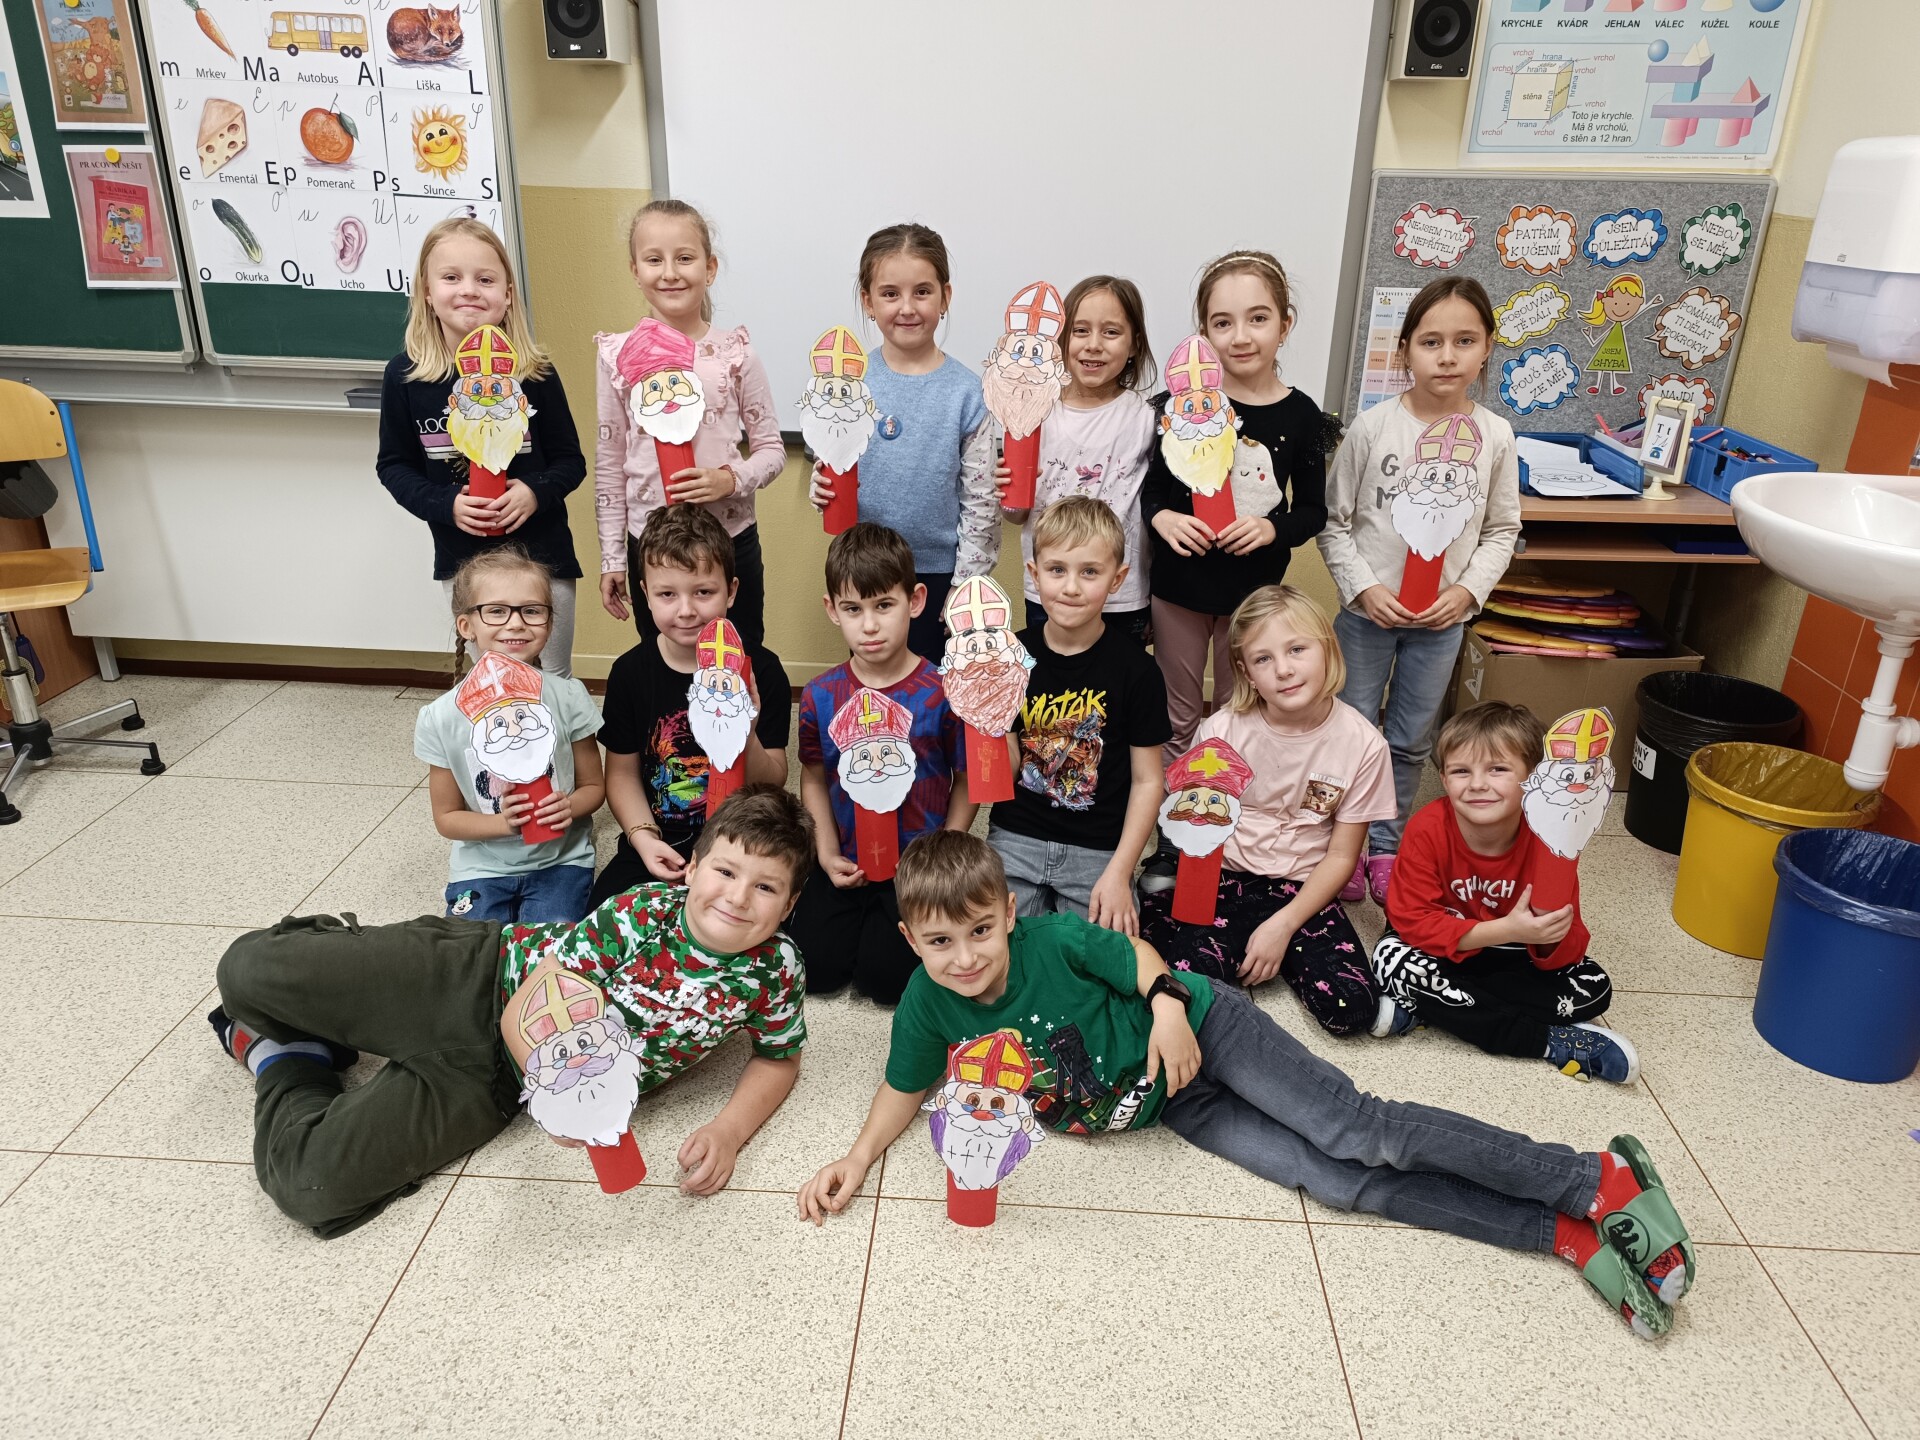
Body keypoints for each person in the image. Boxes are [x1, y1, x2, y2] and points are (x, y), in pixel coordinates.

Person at [796, 831, 1696, 1338]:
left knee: (1357, 1132)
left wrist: (1166, 1006)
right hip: (1176, 1104)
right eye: (940, 943)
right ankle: (1559, 1233)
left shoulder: (1052, 939)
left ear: (1007, 914)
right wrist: (856, 1159)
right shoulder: (927, 1003)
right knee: (1339, 1183)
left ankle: (1593, 1178)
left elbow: (1137, 958)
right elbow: (903, 1086)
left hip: (1205, 1029)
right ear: (911, 941)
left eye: (980, 932)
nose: (964, 957)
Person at [208, 785, 815, 1239]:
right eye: (725, 871)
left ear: (790, 906)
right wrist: (555, 1089)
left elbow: (778, 1057)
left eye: (766, 887)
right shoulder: (641, 911)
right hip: (478, 974)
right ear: (694, 868)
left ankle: (288, 1055)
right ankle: (342, 974)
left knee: (309, 1185)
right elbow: (536, 998)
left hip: (492, 1083)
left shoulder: (777, 970)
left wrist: (728, 1132)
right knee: (244, 972)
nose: (738, 897)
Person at [1317, 275, 1521, 906]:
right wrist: (1362, 589)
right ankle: (1340, 848)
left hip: (1440, 623)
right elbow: (1333, 523)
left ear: (1487, 348)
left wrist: (1467, 594)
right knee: (1350, 731)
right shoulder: (1374, 428)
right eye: (1431, 342)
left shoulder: (1495, 437)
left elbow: (1502, 529)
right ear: (1404, 349)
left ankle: (1386, 844)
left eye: (1465, 341)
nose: (1447, 356)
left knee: (1409, 740)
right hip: (1367, 618)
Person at [1139, 585, 1393, 1037]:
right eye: (1263, 658)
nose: (1284, 669)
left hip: (1303, 889)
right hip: (1222, 877)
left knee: (1352, 1010)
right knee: (1180, 989)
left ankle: (1263, 947)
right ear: (1246, 672)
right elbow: (1196, 833)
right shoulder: (1221, 731)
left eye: (1297, 649)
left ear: (1328, 649)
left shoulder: (1364, 744)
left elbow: (1341, 856)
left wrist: (1282, 927)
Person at [1371, 701, 1638, 1082]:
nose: (1477, 784)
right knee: (1390, 959)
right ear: (1444, 779)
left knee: (1593, 989)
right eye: (1461, 771)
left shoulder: (1551, 836)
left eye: (1497, 769)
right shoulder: (1427, 828)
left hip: (1514, 955)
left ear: (1533, 778)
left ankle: (1432, 1005)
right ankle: (1548, 1042)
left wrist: (1545, 935)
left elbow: (1569, 946)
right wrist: (1505, 929)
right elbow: (1411, 922)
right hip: (1443, 947)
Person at [1139, 250, 1336, 762]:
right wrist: (1163, 518)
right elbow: (1152, 492)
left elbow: (1313, 511)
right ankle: (1172, 811)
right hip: (1179, 589)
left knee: (1240, 711)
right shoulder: (1177, 406)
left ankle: (1229, 805)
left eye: (1258, 318)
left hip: (1253, 596)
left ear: (1285, 325)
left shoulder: (1302, 415)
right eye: (1222, 323)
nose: (1240, 336)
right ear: (1204, 333)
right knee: (1177, 715)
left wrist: (1272, 530)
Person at [376, 217, 586, 677]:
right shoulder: (406, 377)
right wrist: (446, 503)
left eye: (485, 280)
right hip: (465, 562)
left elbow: (570, 461)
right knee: (495, 680)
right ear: (426, 291)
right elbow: (394, 466)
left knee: (553, 679)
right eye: (451, 277)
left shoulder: (535, 373)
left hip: (543, 558)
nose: (469, 290)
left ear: (508, 294)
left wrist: (534, 492)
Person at [788, 522, 975, 1004]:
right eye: (853, 609)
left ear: (915, 601)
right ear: (832, 610)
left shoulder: (943, 692)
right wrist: (825, 853)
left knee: (888, 983)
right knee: (813, 969)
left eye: (884, 606)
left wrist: (944, 853)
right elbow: (814, 776)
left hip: (916, 865)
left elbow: (966, 778)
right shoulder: (819, 696)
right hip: (847, 857)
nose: (869, 626)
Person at [595, 199, 784, 647]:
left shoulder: (735, 353)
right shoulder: (616, 355)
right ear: (635, 271)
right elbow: (610, 461)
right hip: (650, 545)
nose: (670, 273)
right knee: (662, 661)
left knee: (739, 655)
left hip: (729, 540)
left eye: (684, 258)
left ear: (709, 268)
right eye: (653, 260)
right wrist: (613, 557)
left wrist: (729, 480)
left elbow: (772, 451)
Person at [806, 223, 999, 662]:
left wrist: (966, 586)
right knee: (875, 682)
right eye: (890, 293)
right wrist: (820, 490)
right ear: (868, 301)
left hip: (939, 575)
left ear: (945, 297)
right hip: (865, 571)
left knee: (933, 688)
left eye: (922, 292)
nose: (907, 308)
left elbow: (981, 501)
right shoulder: (846, 384)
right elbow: (831, 466)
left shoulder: (968, 393)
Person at [590, 504, 791, 909]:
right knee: (604, 913)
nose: (686, 610)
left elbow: (773, 782)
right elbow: (622, 774)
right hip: (660, 835)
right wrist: (643, 837)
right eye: (667, 594)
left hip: (742, 842)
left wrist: (747, 734)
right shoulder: (630, 673)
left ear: (731, 591)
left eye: (703, 592)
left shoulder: (763, 671)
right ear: (645, 594)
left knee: (774, 919)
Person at [989, 495, 1169, 930]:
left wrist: (1120, 872)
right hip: (1016, 839)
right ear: (1034, 574)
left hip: (1099, 849)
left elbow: (1148, 781)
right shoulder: (1010, 657)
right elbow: (1004, 771)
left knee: (1106, 956)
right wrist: (984, 718)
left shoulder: (1139, 671)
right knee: (993, 945)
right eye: (1057, 570)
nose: (1071, 587)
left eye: (1089, 572)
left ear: (1117, 578)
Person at [415, 547, 603, 924]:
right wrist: (503, 824)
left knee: (550, 947)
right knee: (470, 948)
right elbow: (447, 818)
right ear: (466, 625)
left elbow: (594, 786)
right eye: (497, 611)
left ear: (550, 623)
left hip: (562, 860)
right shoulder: (440, 717)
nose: (515, 623)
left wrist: (570, 806)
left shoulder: (568, 697)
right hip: (481, 866)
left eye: (531, 610)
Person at [998, 276, 1159, 649]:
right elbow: (1016, 515)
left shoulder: (1145, 417)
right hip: (1051, 591)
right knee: (1051, 678)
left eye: (1111, 332)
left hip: (1121, 595)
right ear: (1061, 338)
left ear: (1135, 343)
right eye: (1081, 330)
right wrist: (1008, 492)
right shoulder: (1033, 413)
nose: (1094, 344)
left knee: (1119, 680)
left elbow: (1156, 501)